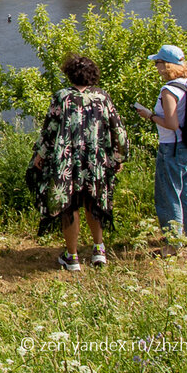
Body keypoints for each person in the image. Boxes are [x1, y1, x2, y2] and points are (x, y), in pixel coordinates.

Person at [29, 54, 128, 271]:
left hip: (67, 162)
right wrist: (119, 157)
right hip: (96, 160)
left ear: (70, 73)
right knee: (94, 202)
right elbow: (117, 130)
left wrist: (40, 155)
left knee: (69, 205)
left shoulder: (62, 97)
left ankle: (72, 257)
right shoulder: (102, 98)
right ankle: (98, 250)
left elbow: (50, 131)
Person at [136, 44, 187, 254]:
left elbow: (172, 123)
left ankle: (173, 244)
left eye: (158, 63)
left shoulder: (169, 90)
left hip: (172, 147)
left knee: (168, 193)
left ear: (167, 66)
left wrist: (149, 115)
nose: (156, 67)